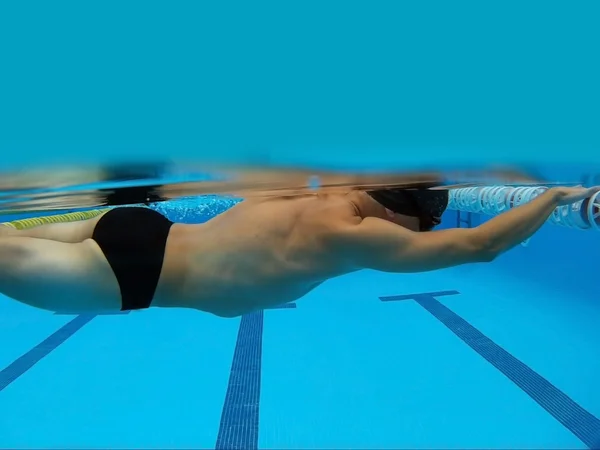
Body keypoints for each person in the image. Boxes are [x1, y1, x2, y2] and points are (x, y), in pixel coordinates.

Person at [0, 184, 597, 317]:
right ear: (397, 214)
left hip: (134, 227)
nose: (411, 240)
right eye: (416, 228)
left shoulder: (316, 193)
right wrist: (554, 198)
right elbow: (481, 245)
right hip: (130, 275)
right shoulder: (352, 235)